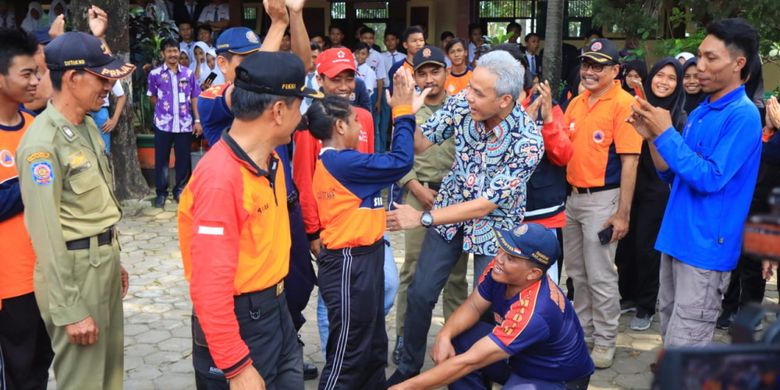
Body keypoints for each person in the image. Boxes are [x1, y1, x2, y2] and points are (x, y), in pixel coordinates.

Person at [386, 50, 544, 385]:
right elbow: (420, 144)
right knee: (420, 293)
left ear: (504, 100)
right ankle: (408, 367)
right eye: (469, 87)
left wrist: (424, 218)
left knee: (489, 304)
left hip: (496, 226)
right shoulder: (461, 106)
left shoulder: (528, 141)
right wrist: (405, 115)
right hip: (451, 215)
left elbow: (486, 205)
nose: (467, 95)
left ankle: (479, 370)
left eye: (478, 92)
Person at [178, 50, 323, 390]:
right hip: (241, 321)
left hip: (276, 311)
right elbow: (209, 287)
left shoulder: (271, 162)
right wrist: (236, 365)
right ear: (277, 111)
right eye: (297, 105)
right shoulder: (220, 178)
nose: (302, 115)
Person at [627, 18, 762, 347]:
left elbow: (709, 177)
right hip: (676, 238)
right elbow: (673, 175)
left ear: (738, 63)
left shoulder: (743, 115)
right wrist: (652, 137)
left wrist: (667, 134)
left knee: (685, 349)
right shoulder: (702, 111)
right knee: (672, 340)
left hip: (704, 250)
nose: (699, 66)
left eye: (711, 58)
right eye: (699, 55)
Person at [16, 25, 134, 390]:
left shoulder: (84, 127)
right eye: (100, 78)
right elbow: (46, 232)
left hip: (100, 266)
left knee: (109, 378)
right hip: (74, 277)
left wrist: (113, 257)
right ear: (72, 77)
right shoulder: (42, 143)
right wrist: (69, 308)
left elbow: (90, 208)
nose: (107, 88)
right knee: (83, 382)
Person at [390, 223, 594, 390]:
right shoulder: (500, 270)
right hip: (520, 357)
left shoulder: (535, 311)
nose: (499, 259)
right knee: (460, 338)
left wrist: (405, 387)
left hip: (555, 378)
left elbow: (470, 361)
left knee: (467, 360)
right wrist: (444, 334)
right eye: (502, 249)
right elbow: (473, 307)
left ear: (533, 274)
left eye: (511, 258)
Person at [308, 73, 416, 388]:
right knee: (348, 355)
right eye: (355, 120)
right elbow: (401, 160)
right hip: (348, 266)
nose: (360, 126)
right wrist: (404, 112)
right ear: (340, 126)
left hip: (363, 261)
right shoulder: (342, 163)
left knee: (372, 350)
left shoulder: (343, 162)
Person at [562, 38, 642, 368]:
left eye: (599, 66)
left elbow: (631, 162)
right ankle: (584, 334)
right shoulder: (576, 102)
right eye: (586, 64)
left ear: (615, 70)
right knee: (577, 275)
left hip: (603, 200)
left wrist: (622, 214)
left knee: (601, 276)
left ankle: (607, 339)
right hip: (572, 200)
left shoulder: (625, 104)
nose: (590, 71)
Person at [392, 45, 469, 365]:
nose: (429, 78)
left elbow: (469, 153)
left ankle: (458, 338)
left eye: (434, 71)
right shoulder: (408, 110)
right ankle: (404, 337)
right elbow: (398, 155)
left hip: (454, 202)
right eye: (422, 73)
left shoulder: (462, 108)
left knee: (455, 276)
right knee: (412, 270)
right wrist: (415, 187)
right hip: (417, 198)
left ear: (446, 72)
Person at [0, 28, 53, 390]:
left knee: (38, 370)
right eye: (27, 73)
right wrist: (32, 182)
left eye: (37, 72)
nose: (36, 81)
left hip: (45, 280)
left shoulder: (36, 129)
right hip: (8, 286)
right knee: (15, 375)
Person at [615, 58, 685, 332]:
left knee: (646, 247)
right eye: (660, 75)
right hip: (630, 182)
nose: (664, 82)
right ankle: (628, 295)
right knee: (626, 245)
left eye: (671, 78)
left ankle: (646, 304)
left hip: (658, 189)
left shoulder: (678, 116)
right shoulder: (636, 105)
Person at [147, 38, 201, 208]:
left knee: (183, 159)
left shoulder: (188, 73)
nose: (173, 54)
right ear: (163, 53)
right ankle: (161, 193)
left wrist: (197, 120)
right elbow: (152, 97)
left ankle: (180, 190)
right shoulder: (155, 74)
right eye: (169, 51)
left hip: (184, 124)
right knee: (161, 159)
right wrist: (164, 111)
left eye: (175, 51)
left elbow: (194, 97)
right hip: (163, 124)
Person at [90, 80, 127, 155]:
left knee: (104, 151)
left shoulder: (109, 71)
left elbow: (122, 96)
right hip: (83, 111)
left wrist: (114, 120)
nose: (108, 88)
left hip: (101, 112)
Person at [387, 26, 425, 93]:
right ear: (405, 45)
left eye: (421, 40)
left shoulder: (429, 65)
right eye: (414, 41)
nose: (419, 44)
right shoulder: (397, 67)